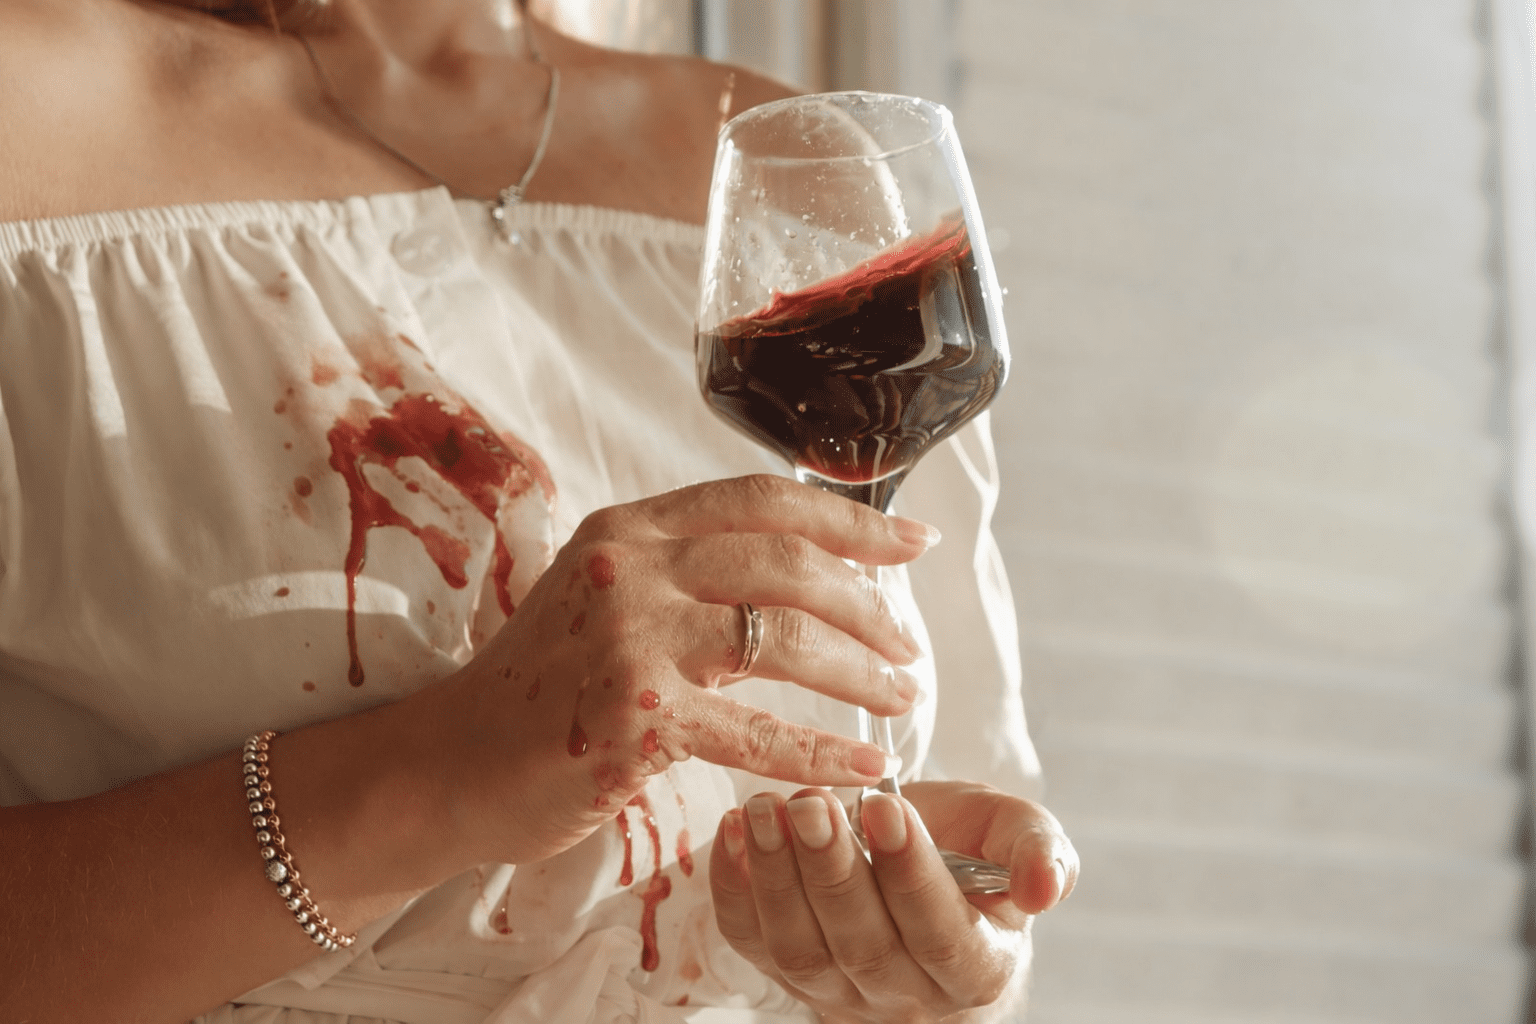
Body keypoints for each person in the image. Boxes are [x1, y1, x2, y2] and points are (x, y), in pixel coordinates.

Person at [0, 1, 1079, 1021]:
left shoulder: (795, 165)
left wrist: (930, 966)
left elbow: (969, 907)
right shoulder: (30, 114)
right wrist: (437, 773)